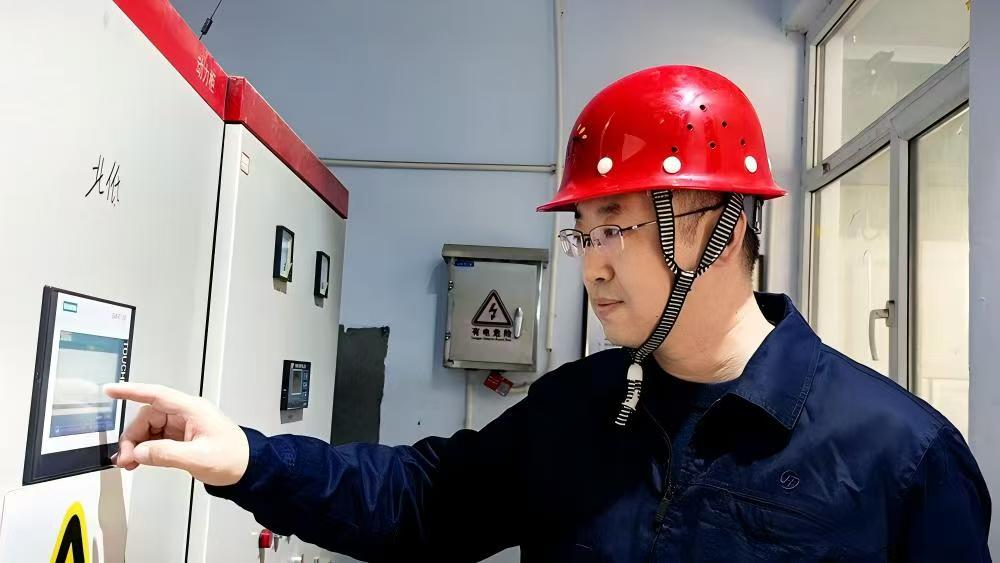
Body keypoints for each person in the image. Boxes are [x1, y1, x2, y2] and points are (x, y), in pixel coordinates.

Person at [106, 65, 991, 562]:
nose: (592, 263)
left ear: (722, 226)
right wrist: (248, 457)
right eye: (583, 231)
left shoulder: (899, 455)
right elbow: (421, 499)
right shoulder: (578, 408)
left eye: (618, 227)